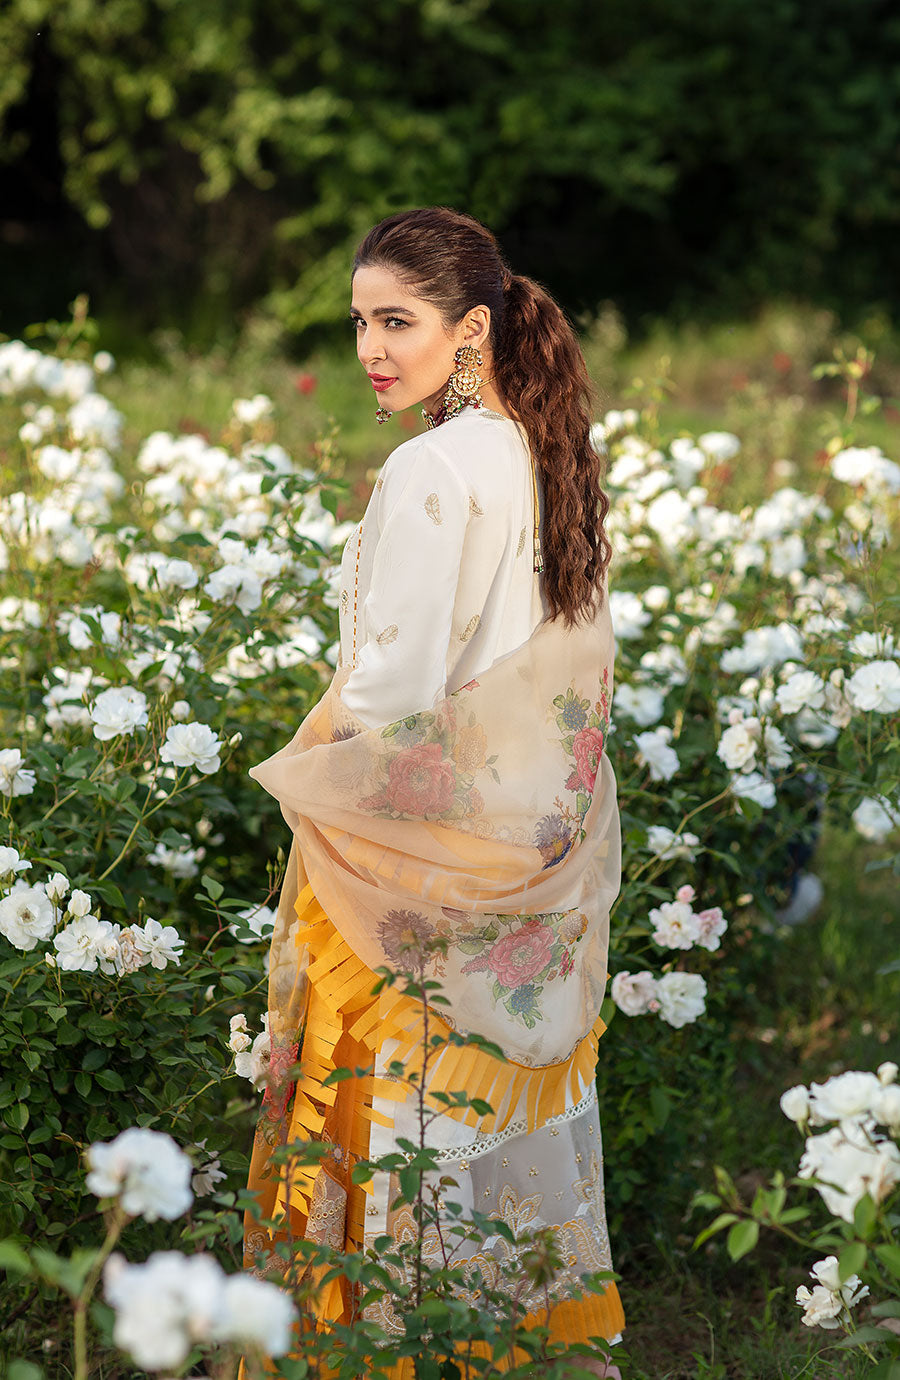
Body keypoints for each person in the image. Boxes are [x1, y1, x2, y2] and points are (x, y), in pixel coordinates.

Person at [243, 206, 624, 1379]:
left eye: (397, 321)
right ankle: (510, 1344)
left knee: (391, 1111)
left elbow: (394, 690)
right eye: (360, 322)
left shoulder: (431, 466)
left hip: (414, 854)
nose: (371, 349)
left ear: (472, 328)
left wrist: (319, 773)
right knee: (489, 1123)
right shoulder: (541, 448)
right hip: (523, 847)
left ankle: (390, 1351)